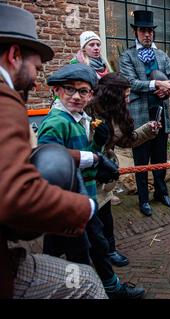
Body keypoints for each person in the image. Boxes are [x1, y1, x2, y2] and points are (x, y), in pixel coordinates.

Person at [0, 3, 106, 299]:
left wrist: (96, 152)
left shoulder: (86, 119)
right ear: (14, 55)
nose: (35, 80)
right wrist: (87, 208)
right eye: (35, 68)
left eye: (83, 91)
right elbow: (17, 191)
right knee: (85, 280)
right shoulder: (4, 100)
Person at [37, 63, 146, 299]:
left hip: (84, 197)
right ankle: (81, 291)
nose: (77, 96)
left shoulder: (80, 118)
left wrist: (97, 144)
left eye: (83, 91)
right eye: (70, 89)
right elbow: (47, 157)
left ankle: (105, 287)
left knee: (88, 246)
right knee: (80, 252)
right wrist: (95, 157)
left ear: (91, 95)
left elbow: (84, 154)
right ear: (57, 90)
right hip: (66, 203)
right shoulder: (57, 122)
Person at [86, 73, 160, 267]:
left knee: (106, 217)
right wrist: (96, 150)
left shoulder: (117, 113)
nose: (128, 99)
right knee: (88, 222)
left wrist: (148, 130)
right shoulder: (88, 111)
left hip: (105, 176)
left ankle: (110, 251)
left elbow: (127, 140)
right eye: (125, 95)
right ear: (112, 95)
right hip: (85, 176)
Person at [120, 10, 170, 216]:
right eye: (143, 30)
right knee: (141, 162)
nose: (147, 34)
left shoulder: (162, 55)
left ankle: (161, 193)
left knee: (160, 159)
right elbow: (130, 82)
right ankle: (143, 199)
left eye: (150, 31)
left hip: (161, 113)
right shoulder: (127, 55)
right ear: (136, 32)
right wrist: (156, 83)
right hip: (139, 116)